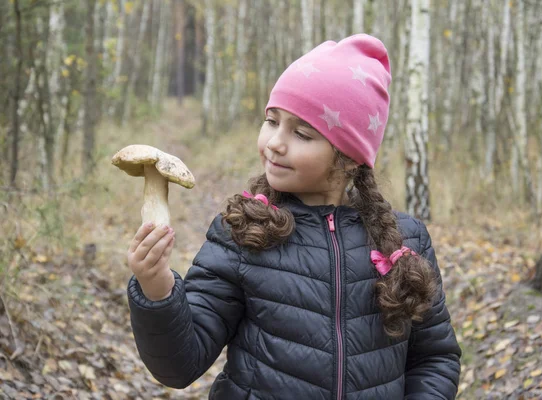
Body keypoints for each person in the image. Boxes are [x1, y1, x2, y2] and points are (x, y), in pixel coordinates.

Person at [126, 33, 461, 400]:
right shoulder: (242, 233)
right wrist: (157, 288)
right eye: (272, 121)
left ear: (350, 157)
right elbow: (180, 366)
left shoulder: (406, 242)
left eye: (301, 133)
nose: (274, 143)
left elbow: (434, 358)